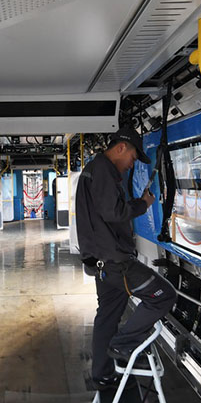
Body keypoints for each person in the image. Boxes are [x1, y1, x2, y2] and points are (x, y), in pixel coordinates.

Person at [75, 126, 177, 389]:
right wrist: (143, 204)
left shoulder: (95, 170)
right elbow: (113, 212)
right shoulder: (104, 171)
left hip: (101, 263)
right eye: (133, 157)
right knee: (163, 295)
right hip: (114, 262)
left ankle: (102, 374)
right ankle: (123, 345)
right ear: (121, 147)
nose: (132, 164)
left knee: (108, 316)